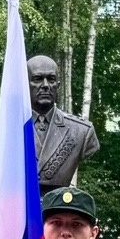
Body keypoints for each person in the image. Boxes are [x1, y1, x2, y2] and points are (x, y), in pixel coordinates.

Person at [27, 54, 99, 189]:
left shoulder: (82, 131)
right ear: (24, 85)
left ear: (58, 85)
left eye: (51, 79)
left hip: (58, 206)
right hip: (18, 207)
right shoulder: (1, 132)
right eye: (37, 79)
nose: (45, 86)